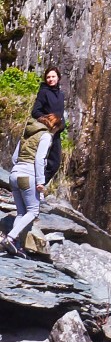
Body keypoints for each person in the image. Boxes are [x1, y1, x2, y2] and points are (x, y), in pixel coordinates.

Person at [7, 105, 59, 252]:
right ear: (53, 126)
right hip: (28, 175)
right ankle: (10, 238)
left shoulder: (27, 134)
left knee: (21, 213)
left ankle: (15, 245)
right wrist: (40, 182)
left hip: (14, 174)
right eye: (56, 129)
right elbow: (39, 159)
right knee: (33, 212)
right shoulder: (46, 136)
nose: (55, 133)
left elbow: (14, 157)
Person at [31, 67, 64, 183]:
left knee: (54, 164)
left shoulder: (61, 94)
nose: (50, 79)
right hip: (44, 132)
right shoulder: (43, 92)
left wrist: (61, 125)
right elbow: (35, 112)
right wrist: (48, 122)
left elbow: (60, 113)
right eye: (48, 77)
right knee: (40, 159)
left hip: (56, 133)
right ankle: (34, 186)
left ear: (58, 78)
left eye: (53, 76)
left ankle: (39, 186)